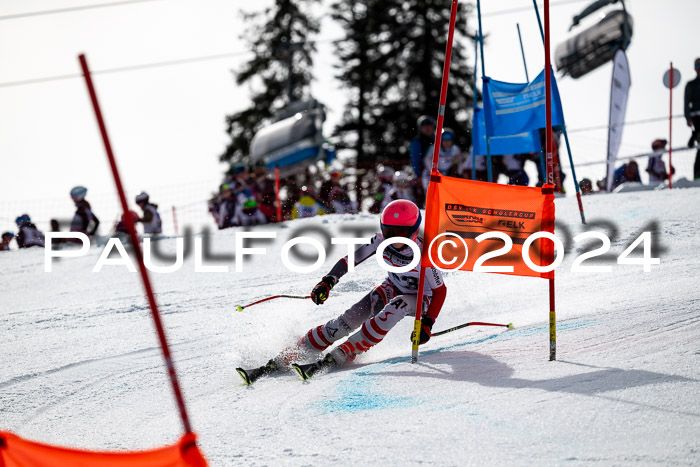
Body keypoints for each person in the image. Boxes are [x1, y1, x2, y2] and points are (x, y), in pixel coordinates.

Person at [236, 199, 448, 384]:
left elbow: (440, 291)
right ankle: (298, 351)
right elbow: (350, 260)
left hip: (422, 298)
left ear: (413, 230)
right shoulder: (380, 241)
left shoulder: (424, 254)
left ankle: (348, 350)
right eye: (389, 231)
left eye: (400, 233)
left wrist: (427, 324)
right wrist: (327, 282)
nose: (394, 238)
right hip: (392, 286)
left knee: (395, 307)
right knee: (350, 317)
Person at [684, 58, 700, 179]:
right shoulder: (691, 85)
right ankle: (697, 176)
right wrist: (688, 118)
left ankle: (693, 137)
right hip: (697, 118)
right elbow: (686, 103)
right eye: (697, 65)